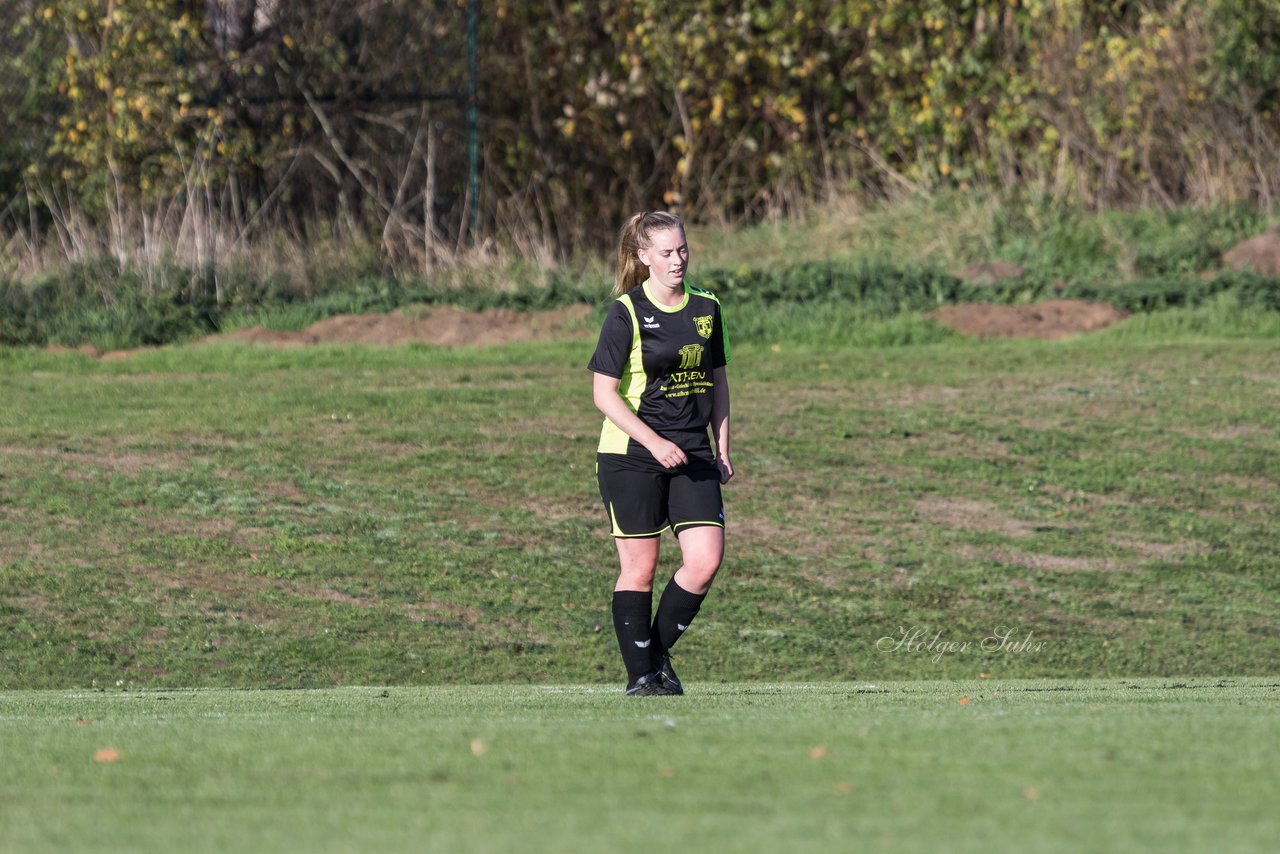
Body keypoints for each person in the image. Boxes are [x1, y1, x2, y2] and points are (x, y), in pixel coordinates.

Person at [587, 210, 733, 696]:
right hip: (631, 454)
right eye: (666, 253)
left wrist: (724, 448)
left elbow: (719, 383)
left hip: (693, 452)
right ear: (643, 256)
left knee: (705, 559)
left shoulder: (708, 307)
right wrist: (654, 442)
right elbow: (603, 394)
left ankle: (655, 656)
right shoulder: (625, 312)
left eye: (683, 250)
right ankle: (642, 679)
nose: (678, 260)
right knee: (640, 567)